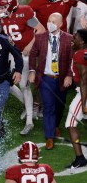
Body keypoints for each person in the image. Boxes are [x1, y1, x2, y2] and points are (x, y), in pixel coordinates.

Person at [0, 0, 46, 135]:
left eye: (3, 7)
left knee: (24, 85)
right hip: (13, 53)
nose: (0, 10)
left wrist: (30, 45)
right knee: (7, 83)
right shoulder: (3, 17)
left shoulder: (24, 12)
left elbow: (41, 30)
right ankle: (27, 105)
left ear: (11, 6)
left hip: (27, 53)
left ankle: (29, 121)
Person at [29, 12, 74, 150]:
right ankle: (49, 136)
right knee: (48, 107)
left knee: (60, 106)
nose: (50, 23)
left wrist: (69, 75)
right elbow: (32, 54)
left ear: (60, 24)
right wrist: (32, 71)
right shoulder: (39, 37)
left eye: (54, 21)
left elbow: (73, 59)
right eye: (49, 20)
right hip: (46, 78)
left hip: (61, 78)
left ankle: (55, 126)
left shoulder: (69, 39)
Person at [64, 29, 87, 168]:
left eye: (76, 37)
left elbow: (84, 81)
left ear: (82, 41)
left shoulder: (79, 55)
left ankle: (80, 158)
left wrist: (84, 104)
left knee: (71, 124)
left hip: (84, 93)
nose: (73, 38)